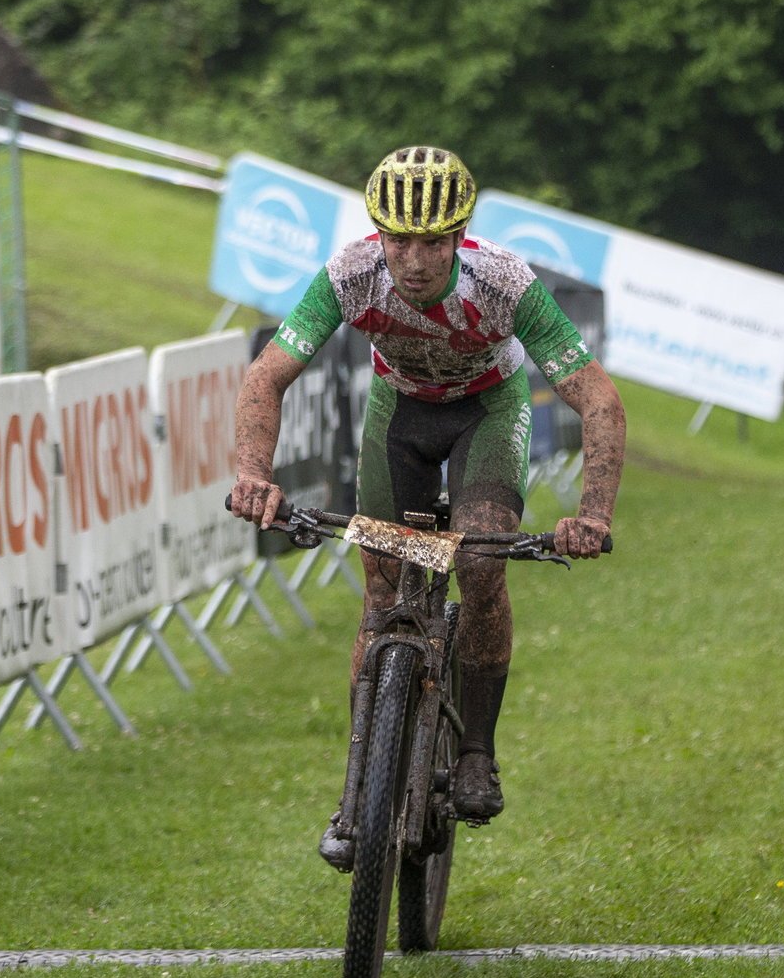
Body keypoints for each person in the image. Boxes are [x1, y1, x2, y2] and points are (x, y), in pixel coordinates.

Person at [228, 145, 626, 871]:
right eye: (398, 239)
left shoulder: (503, 282)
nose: (413, 259)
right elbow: (266, 377)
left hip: (486, 413)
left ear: (460, 234)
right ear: (377, 234)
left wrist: (593, 512)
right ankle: (359, 796)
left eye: (433, 240)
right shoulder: (351, 274)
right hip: (400, 417)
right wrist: (254, 473)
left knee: (477, 561)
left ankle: (476, 748)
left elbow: (597, 397)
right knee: (382, 593)